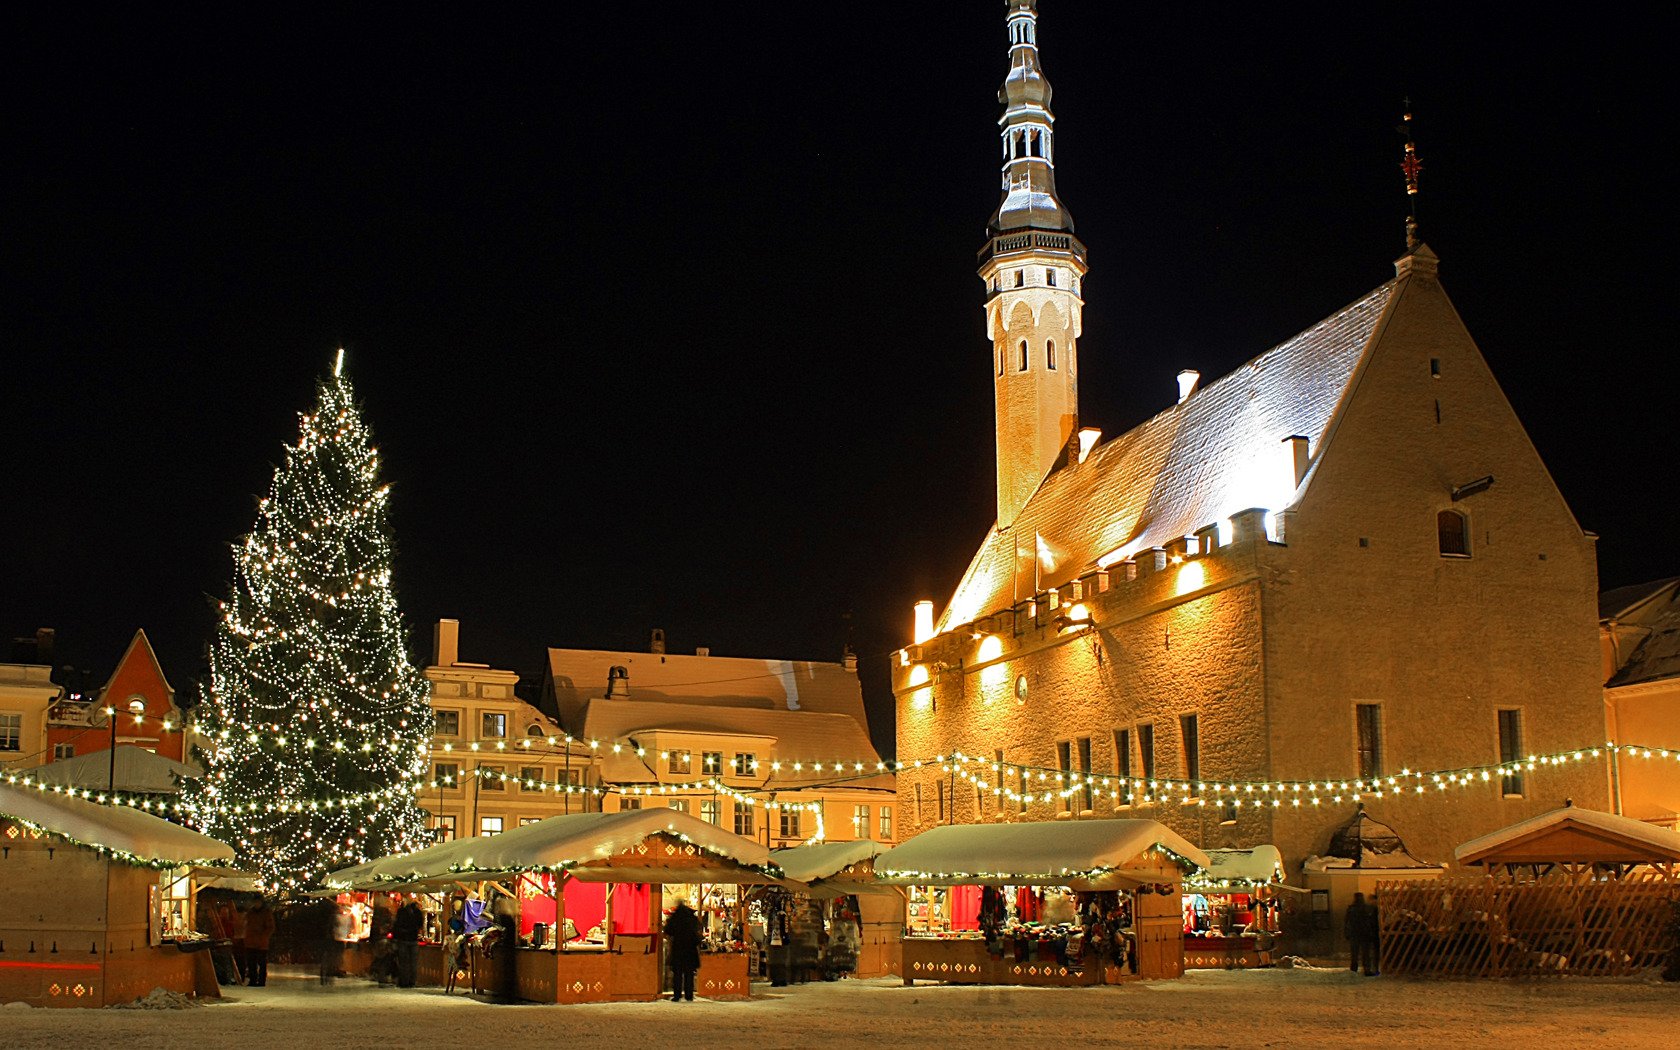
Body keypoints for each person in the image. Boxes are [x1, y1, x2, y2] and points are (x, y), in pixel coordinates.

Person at [665, 899, 701, 1002]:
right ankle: (689, 995)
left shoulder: (675, 917)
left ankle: (677, 995)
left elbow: (668, 930)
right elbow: (698, 928)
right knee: (689, 973)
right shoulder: (691, 917)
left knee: (677, 974)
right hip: (690, 949)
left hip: (678, 948)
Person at [1344, 892, 1378, 976]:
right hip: (1364, 934)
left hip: (1355, 934)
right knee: (1365, 953)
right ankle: (1366, 970)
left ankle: (1354, 970)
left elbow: (1346, 922)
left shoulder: (1351, 909)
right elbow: (1371, 921)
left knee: (1355, 953)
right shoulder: (1367, 908)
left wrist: (1347, 933)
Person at [244, 900, 276, 987]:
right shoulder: (250, 913)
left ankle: (261, 980)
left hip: (261, 943)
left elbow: (270, 927)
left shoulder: (266, 913)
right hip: (251, 941)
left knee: (261, 962)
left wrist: (263, 936)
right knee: (251, 962)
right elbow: (247, 924)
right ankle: (253, 980)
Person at [393, 898, 423, 988]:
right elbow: (420, 925)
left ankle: (404, 981)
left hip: (403, 939)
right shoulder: (418, 912)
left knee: (403, 962)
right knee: (413, 962)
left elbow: (397, 925)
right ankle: (412, 981)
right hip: (413, 939)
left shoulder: (401, 912)